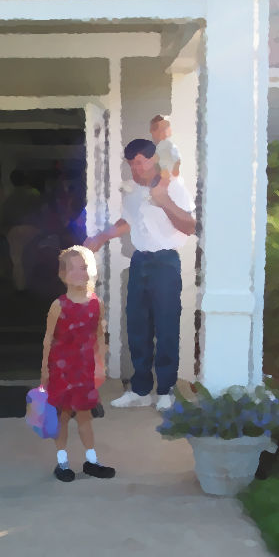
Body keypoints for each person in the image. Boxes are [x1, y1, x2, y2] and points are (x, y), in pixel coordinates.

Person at [84, 139, 195, 411]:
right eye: (132, 163)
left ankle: (166, 391)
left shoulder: (174, 188)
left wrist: (164, 201)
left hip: (166, 262)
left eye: (141, 161)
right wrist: (100, 237)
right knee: (137, 325)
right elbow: (127, 222)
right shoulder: (132, 192)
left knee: (166, 326)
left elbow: (190, 226)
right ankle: (141, 389)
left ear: (153, 159)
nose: (136, 167)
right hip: (140, 261)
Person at [40, 245, 115, 482]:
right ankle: (62, 462)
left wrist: (100, 363)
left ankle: (92, 460)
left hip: (84, 370)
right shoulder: (58, 306)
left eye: (83, 268)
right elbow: (48, 339)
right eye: (71, 269)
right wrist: (44, 371)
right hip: (61, 371)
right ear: (63, 274)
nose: (78, 273)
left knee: (85, 417)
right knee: (62, 416)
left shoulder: (96, 304)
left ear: (91, 271)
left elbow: (99, 335)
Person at [150, 115, 181, 181]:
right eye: (155, 129)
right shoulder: (150, 149)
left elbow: (176, 172)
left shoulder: (171, 147)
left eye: (163, 129)